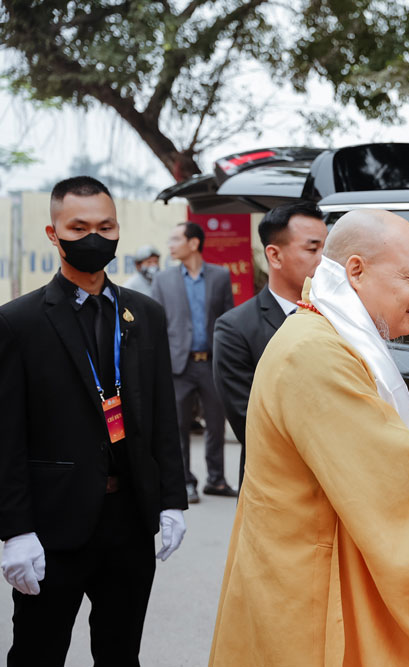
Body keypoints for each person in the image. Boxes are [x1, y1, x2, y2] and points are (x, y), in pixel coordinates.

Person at [209, 209, 409, 667]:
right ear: (356, 269)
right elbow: (387, 475)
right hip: (309, 590)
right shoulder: (314, 351)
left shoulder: (325, 333)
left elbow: (377, 434)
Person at [0, 176, 188, 666]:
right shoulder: (18, 323)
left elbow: (162, 414)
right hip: (53, 527)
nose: (94, 238)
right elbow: (7, 437)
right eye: (78, 227)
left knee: (121, 653)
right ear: (53, 232)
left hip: (128, 521)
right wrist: (14, 530)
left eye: (105, 226)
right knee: (37, 654)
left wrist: (172, 499)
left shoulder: (143, 314)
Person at [213, 201, 328, 488]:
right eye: (313, 249)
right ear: (275, 255)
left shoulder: (341, 319)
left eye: (328, 248)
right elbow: (250, 423)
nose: (324, 260)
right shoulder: (235, 328)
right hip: (276, 487)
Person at [152, 222, 235, 503]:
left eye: (176, 239)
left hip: (211, 363)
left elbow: (226, 320)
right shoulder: (163, 280)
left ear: (194, 243)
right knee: (177, 427)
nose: (170, 245)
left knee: (215, 424)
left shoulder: (220, 276)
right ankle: (184, 481)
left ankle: (216, 480)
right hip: (178, 365)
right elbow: (157, 325)